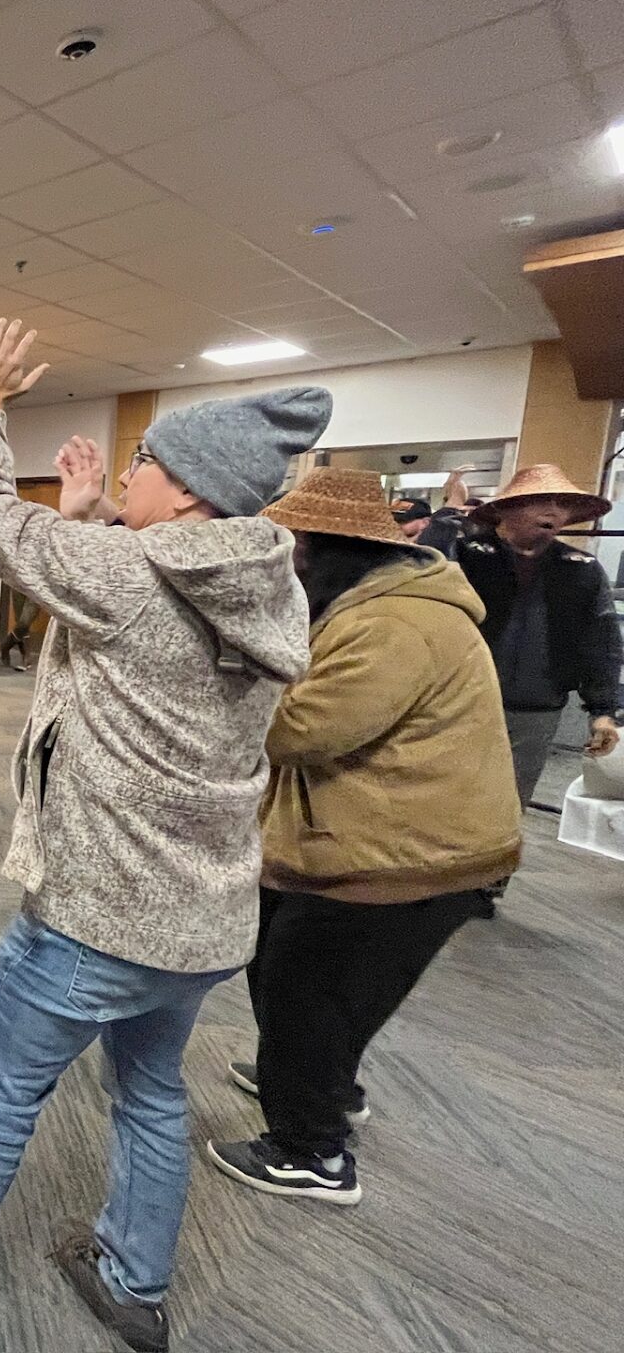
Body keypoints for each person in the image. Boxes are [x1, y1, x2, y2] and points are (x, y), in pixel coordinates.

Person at [0, 320, 329, 1353]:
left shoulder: (127, 574)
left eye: (145, 460)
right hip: (202, 917)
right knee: (150, 1094)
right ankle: (133, 1283)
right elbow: (149, 602)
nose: (129, 470)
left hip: (95, 913)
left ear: (187, 492)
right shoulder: (269, 584)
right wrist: (104, 512)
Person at [205, 469, 520, 1207]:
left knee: (304, 986)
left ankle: (311, 1151)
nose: (284, 563)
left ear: (330, 548)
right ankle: (316, 1081)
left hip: (402, 855)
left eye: (294, 548)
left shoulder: (393, 623)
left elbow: (304, 728)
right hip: (385, 839)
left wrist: (234, 677)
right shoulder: (370, 606)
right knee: (305, 977)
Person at [455, 465, 620, 821]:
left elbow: (602, 640)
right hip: (459, 703)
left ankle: (493, 878)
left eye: (562, 504)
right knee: (447, 798)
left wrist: (603, 712)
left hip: (537, 709)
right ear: (505, 509)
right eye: (540, 501)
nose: (553, 511)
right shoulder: (465, 555)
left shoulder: (581, 567)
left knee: (508, 809)